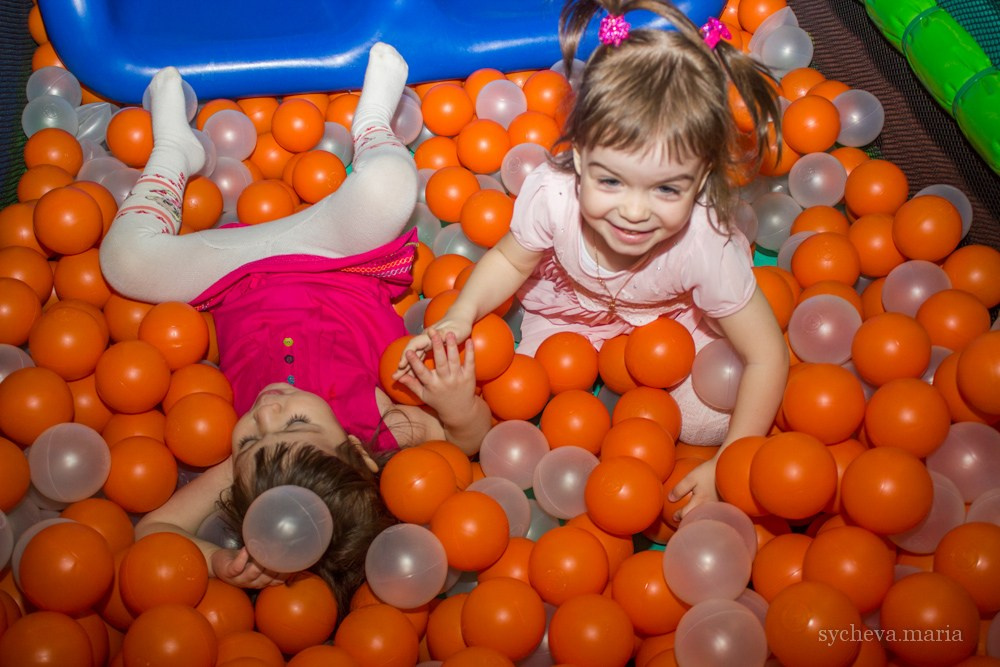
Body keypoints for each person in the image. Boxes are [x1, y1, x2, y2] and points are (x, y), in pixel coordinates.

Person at [100, 43, 493, 616]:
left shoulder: (251, 477)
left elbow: (152, 532)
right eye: (298, 422)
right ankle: (374, 126)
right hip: (334, 255)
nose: (265, 414)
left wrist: (214, 563)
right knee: (387, 190)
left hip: (232, 273)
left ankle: (172, 155)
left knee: (123, 265)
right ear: (354, 450)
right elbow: (469, 443)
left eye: (250, 440)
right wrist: (458, 407)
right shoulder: (382, 424)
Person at [398, 0, 789, 520]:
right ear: (579, 156)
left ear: (701, 180)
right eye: (610, 181)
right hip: (568, 307)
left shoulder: (704, 243)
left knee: (705, 420)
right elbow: (511, 262)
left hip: (670, 317)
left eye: (667, 189)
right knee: (521, 398)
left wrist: (726, 461)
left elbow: (767, 355)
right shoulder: (553, 195)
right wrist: (461, 312)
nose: (632, 211)